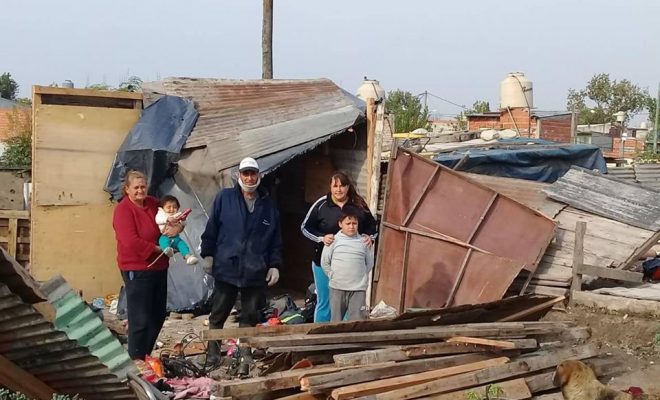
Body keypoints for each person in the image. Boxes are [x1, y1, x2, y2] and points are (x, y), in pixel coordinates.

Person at [200, 157, 283, 363]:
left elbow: (275, 239)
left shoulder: (268, 206)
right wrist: (208, 254)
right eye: (245, 173)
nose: (249, 177)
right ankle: (212, 354)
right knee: (218, 314)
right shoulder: (224, 198)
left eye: (253, 173)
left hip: (255, 270)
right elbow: (212, 228)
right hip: (227, 266)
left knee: (250, 316)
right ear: (239, 175)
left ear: (259, 175)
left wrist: (274, 265)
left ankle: (244, 354)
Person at [112, 170, 182, 360]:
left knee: (157, 316)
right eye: (136, 188)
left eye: (143, 186)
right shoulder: (123, 210)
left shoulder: (152, 203)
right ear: (127, 189)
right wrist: (157, 249)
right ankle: (136, 362)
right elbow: (130, 241)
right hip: (137, 268)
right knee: (140, 319)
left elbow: (170, 218)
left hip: (159, 267)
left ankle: (145, 357)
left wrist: (178, 227)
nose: (140, 191)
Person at [301, 171, 377, 322]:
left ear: (348, 187)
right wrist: (321, 238)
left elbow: (373, 226)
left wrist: (370, 237)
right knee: (325, 301)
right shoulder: (321, 204)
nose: (339, 189)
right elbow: (305, 227)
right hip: (323, 262)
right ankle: (320, 338)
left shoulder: (358, 204)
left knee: (351, 306)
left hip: (352, 266)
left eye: (342, 186)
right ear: (330, 187)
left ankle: (347, 339)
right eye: (335, 186)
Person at [321, 206, 374, 321]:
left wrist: (360, 277)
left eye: (354, 223)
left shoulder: (364, 242)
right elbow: (325, 262)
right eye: (348, 223)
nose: (351, 226)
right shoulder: (333, 240)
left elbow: (369, 264)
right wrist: (332, 275)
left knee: (357, 322)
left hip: (358, 290)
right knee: (336, 321)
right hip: (337, 288)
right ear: (340, 224)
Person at [155, 195, 198, 265]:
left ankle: (188, 256)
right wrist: (167, 219)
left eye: (174, 207)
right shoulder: (162, 214)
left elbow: (183, 224)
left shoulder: (178, 215)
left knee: (182, 245)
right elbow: (158, 220)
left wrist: (183, 220)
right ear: (163, 208)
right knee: (163, 241)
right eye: (168, 207)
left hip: (176, 238)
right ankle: (167, 249)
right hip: (166, 235)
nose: (172, 209)